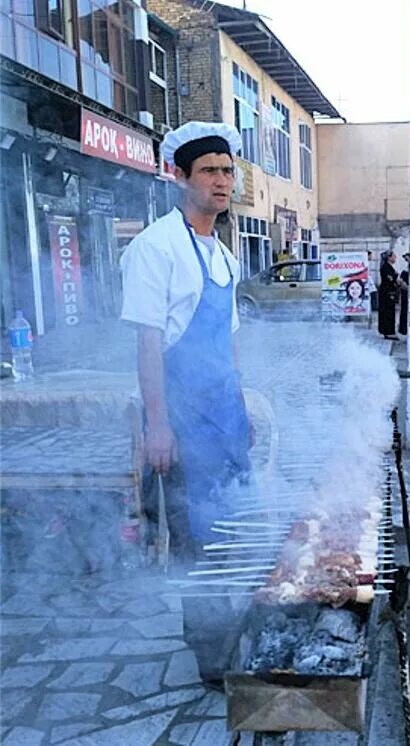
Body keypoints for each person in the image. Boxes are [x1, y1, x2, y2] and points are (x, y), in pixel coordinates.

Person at [120, 121, 252, 685]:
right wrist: (158, 426)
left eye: (227, 170)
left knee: (232, 527)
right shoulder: (156, 247)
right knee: (195, 533)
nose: (222, 181)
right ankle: (209, 655)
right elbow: (147, 341)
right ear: (181, 177)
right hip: (181, 415)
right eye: (209, 171)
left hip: (223, 416)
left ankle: (230, 627)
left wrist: (243, 412)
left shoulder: (223, 255)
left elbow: (226, 342)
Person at [378, 250, 400, 340]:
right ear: (389, 257)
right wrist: (398, 282)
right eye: (394, 256)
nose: (395, 258)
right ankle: (388, 331)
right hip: (387, 293)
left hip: (390, 292)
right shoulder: (385, 267)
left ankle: (389, 330)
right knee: (388, 312)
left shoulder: (388, 267)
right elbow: (390, 279)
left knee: (390, 311)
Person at [398, 253, 410, 336]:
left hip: (408, 292)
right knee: (404, 309)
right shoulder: (405, 269)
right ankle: (403, 328)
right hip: (404, 293)